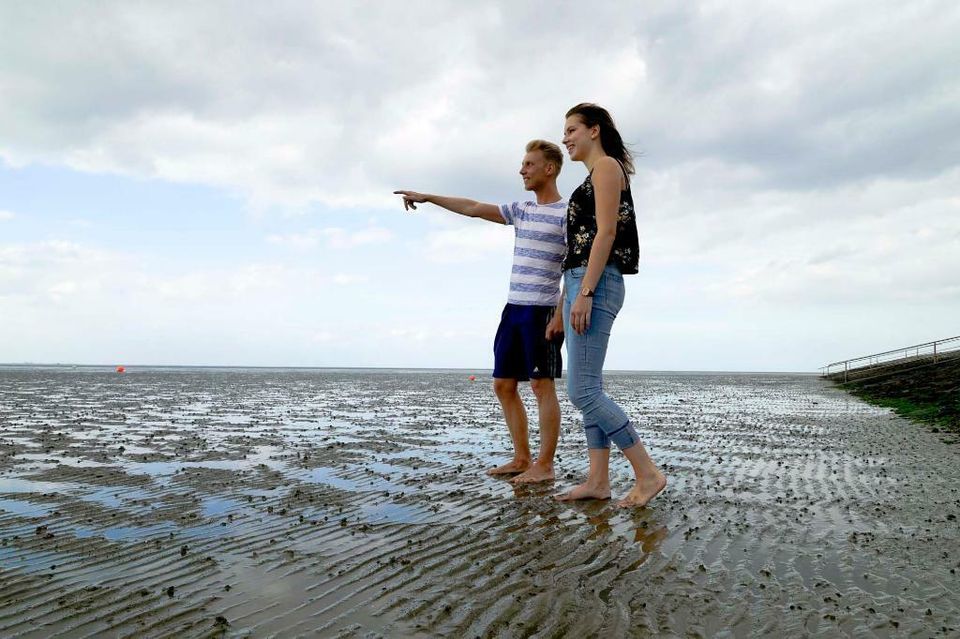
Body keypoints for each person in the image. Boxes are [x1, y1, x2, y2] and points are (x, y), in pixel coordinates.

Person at [394, 140, 567, 484]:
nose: (522, 170)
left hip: (543, 310)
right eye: (522, 164)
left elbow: (577, 267)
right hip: (513, 309)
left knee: (540, 385)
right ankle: (522, 458)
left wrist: (562, 312)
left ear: (549, 169)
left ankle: (544, 465)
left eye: (529, 164)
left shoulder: (567, 213)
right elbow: (473, 207)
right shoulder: (521, 210)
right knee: (503, 384)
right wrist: (429, 197)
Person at [549, 103, 667, 507]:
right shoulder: (592, 176)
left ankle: (647, 474)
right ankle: (598, 481)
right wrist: (564, 301)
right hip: (582, 281)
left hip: (595, 283)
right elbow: (577, 249)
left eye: (571, 130)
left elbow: (606, 233)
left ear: (594, 131)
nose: (565, 138)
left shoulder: (606, 168)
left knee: (582, 392)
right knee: (589, 388)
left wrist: (584, 294)